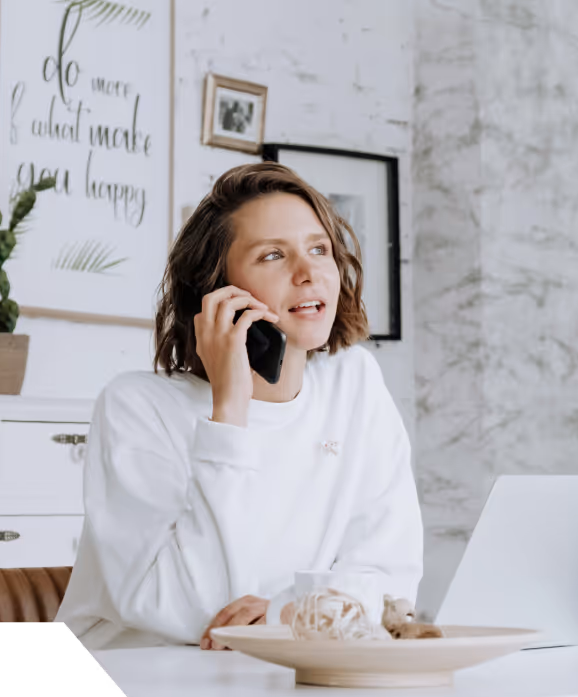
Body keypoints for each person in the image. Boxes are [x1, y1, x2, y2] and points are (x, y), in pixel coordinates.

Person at [54, 162, 423, 650]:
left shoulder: (354, 383)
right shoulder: (137, 406)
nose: (308, 272)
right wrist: (229, 409)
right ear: (216, 290)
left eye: (319, 249)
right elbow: (193, 607)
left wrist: (281, 615)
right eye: (273, 255)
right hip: (139, 676)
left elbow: (390, 584)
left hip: (271, 671)